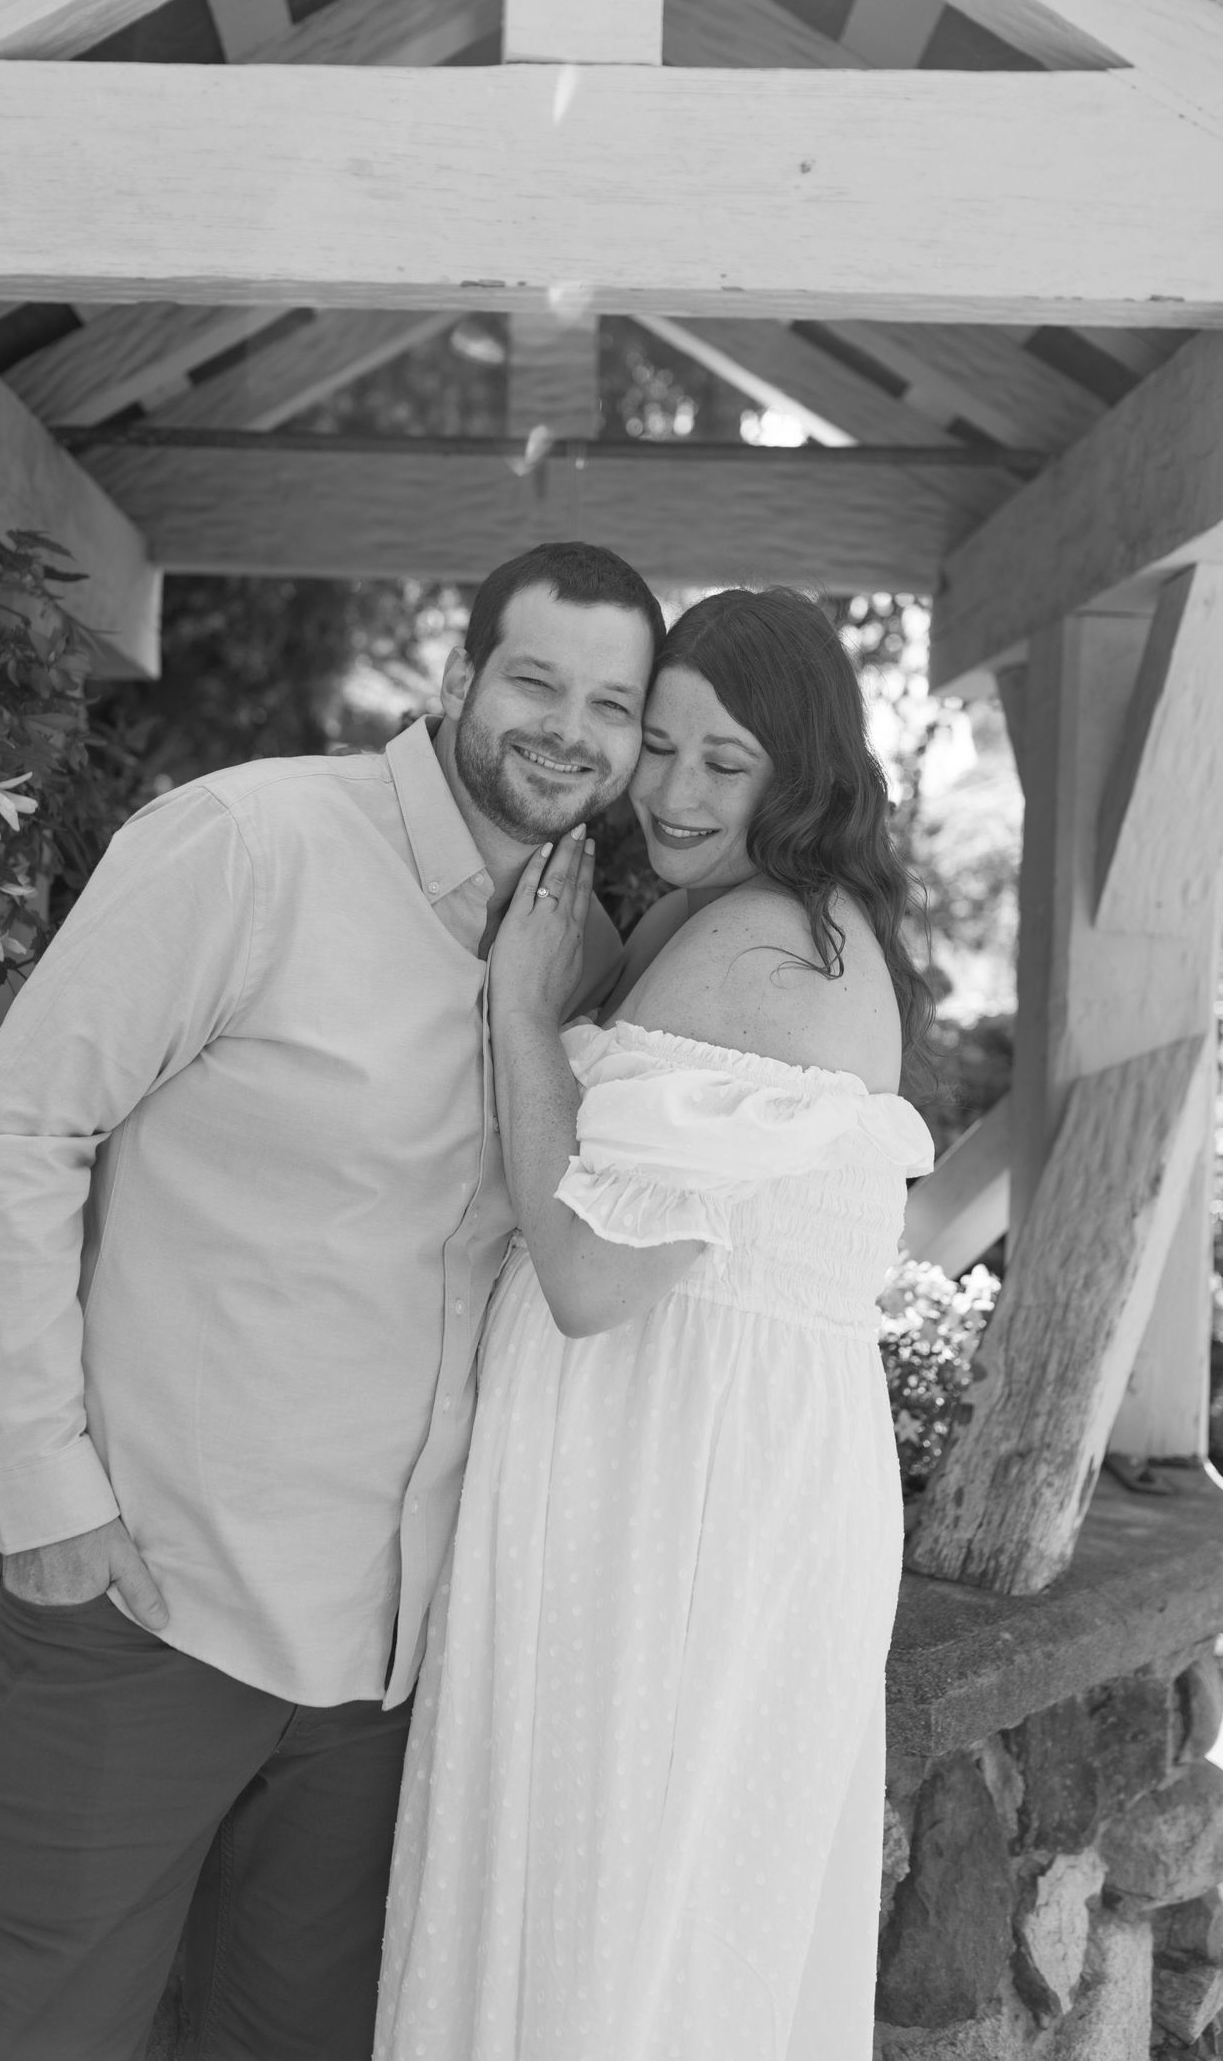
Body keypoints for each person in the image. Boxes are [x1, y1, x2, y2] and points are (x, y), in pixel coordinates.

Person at [0, 542, 666, 2061]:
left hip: (381, 1668)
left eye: (612, 704)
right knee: (29, 2037)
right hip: (149, 1601)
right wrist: (43, 1490)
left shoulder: (574, 949)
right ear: (457, 676)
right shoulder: (248, 843)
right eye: (534, 679)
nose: (567, 729)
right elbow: (17, 1130)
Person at [375, 587, 936, 2061]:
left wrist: (521, 1011)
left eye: (725, 761)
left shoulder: (772, 953)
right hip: (662, 1465)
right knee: (614, 1915)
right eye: (661, 744)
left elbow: (587, 1275)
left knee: (617, 1929)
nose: (674, 791)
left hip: (683, 1493)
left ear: (802, 774)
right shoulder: (721, 913)